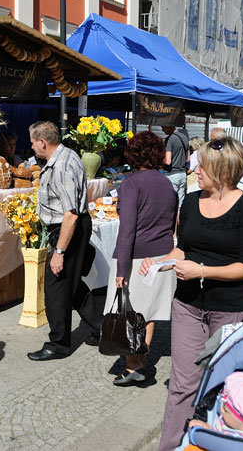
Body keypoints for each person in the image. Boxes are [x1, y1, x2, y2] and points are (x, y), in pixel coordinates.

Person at [140, 136, 243, 450]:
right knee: (182, 384)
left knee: (222, 381)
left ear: (224, 172)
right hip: (187, 305)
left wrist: (203, 271)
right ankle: (170, 446)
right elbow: (183, 248)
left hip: (229, 308)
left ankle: (214, 441)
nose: (195, 171)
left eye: (203, 167)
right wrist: (161, 261)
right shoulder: (191, 202)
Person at [106, 131, 177, 386]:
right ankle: (140, 363)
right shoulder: (166, 183)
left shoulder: (131, 183)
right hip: (160, 255)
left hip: (135, 256)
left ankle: (134, 366)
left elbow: (127, 230)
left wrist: (121, 269)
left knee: (129, 313)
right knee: (147, 314)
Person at [27, 121, 101, 361]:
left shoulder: (62, 166)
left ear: (42, 142)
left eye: (32, 142)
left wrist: (59, 251)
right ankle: (101, 327)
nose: (32, 147)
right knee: (72, 282)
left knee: (56, 285)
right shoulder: (66, 155)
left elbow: (70, 213)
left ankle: (58, 344)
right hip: (70, 226)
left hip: (68, 228)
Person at [163, 126, 190, 207]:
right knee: (180, 204)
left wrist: (157, 159)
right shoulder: (185, 137)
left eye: (163, 127)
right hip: (182, 174)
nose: (162, 129)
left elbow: (168, 161)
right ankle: (179, 219)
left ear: (169, 126)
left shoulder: (170, 139)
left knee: (170, 204)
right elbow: (187, 159)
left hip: (171, 174)